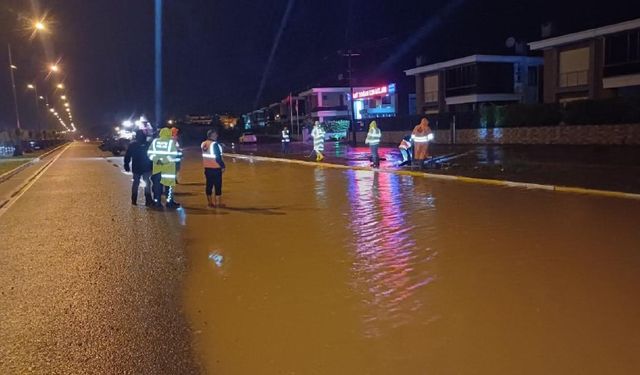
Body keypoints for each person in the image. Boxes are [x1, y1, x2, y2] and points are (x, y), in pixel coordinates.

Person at [147, 127, 181, 208]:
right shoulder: (171, 142)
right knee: (168, 188)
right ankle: (169, 203)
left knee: (157, 187)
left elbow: (149, 153)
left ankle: (157, 202)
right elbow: (173, 154)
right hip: (168, 169)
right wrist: (164, 161)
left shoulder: (155, 142)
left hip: (157, 169)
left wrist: (157, 160)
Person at [124, 130, 153, 206]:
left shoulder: (132, 145)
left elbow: (127, 155)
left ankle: (134, 199)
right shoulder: (147, 144)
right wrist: (152, 165)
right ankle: (148, 200)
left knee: (136, 183)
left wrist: (126, 164)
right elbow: (151, 155)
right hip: (146, 166)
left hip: (136, 167)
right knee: (147, 183)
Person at [201, 129, 226, 208]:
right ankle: (218, 203)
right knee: (218, 186)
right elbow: (218, 157)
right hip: (216, 168)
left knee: (209, 185)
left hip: (207, 168)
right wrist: (223, 166)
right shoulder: (214, 144)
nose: (217, 136)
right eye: (215, 134)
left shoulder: (203, 143)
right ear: (212, 135)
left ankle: (210, 203)